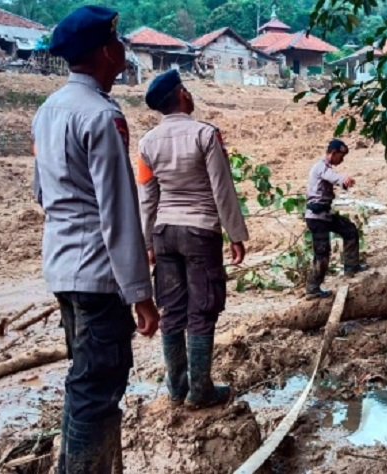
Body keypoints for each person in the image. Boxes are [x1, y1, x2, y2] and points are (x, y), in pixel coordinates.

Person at [31, 5, 159, 473]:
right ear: (107, 51)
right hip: (99, 276)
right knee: (98, 387)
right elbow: (118, 211)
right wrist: (140, 294)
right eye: (119, 42)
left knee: (83, 381)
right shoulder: (103, 116)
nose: (123, 51)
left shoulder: (47, 112)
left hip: (62, 268)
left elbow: (41, 190)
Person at [136, 69, 249, 409]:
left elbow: (147, 197)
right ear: (182, 94)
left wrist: (147, 245)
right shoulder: (206, 134)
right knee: (202, 310)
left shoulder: (146, 143)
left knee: (172, 310)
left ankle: (176, 387)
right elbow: (222, 188)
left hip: (165, 233)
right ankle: (199, 390)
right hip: (200, 232)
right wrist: (236, 234)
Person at [304, 139, 369, 299]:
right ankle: (312, 289)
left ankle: (351, 266)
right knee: (322, 254)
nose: (342, 159)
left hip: (323, 215)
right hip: (317, 218)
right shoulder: (321, 167)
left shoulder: (325, 167)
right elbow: (331, 176)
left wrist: (343, 183)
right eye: (341, 156)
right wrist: (342, 179)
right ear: (333, 154)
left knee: (349, 230)